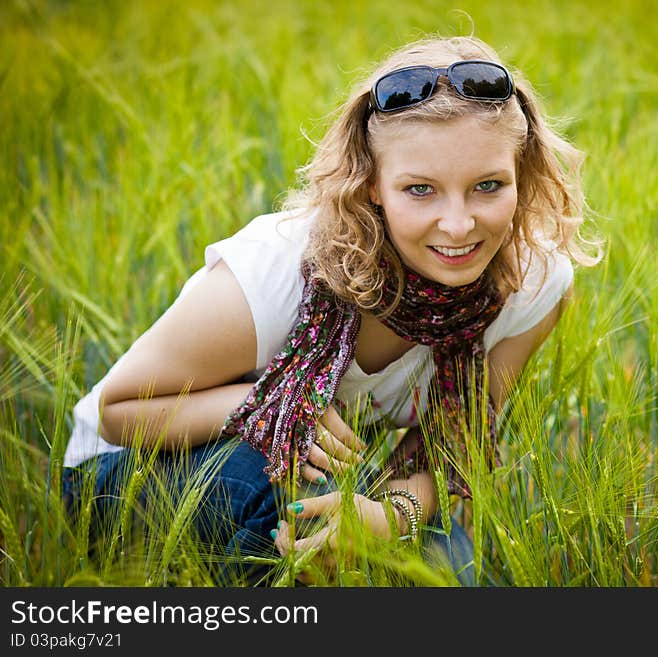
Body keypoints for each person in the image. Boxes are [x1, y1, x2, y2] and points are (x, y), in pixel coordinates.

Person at [61, 34, 602, 586]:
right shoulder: (278, 272)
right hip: (125, 473)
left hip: (315, 471)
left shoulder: (534, 284)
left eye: (488, 185)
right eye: (420, 190)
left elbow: (451, 448)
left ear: (522, 172)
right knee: (291, 500)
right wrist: (276, 403)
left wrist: (388, 518)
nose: (460, 225)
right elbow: (119, 411)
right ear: (372, 185)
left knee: (452, 573)